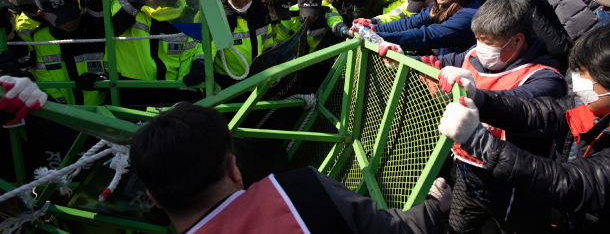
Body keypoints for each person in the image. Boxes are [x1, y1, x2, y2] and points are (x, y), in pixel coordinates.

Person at [129, 103, 452, 234]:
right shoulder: (295, 191)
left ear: (154, 197)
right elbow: (396, 230)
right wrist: (438, 208)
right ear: (234, 168)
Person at [439, 26, 610, 233]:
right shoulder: (587, 107)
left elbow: (572, 182)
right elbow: (537, 112)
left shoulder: (545, 77)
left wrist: (480, 143)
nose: (578, 82)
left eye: (584, 74)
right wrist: (480, 98)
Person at [425, 0, 567, 234]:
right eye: (477, 38)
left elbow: (517, 104)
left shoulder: (546, 78)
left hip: (515, 189)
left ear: (516, 41)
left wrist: (477, 95)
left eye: (487, 40)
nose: (480, 46)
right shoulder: (472, 56)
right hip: (467, 175)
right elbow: (434, 63)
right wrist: (398, 58)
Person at [213, 0, 273, 89]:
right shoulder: (217, 17)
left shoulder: (262, 14)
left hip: (258, 85)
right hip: (224, 90)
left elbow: (268, 44)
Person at [277, 0, 350, 53]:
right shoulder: (289, 15)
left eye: (314, 14)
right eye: (306, 15)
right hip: (294, 56)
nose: (310, 18)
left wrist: (345, 31)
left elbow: (336, 23)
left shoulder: (327, 9)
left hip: (318, 55)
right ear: (299, 8)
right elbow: (281, 40)